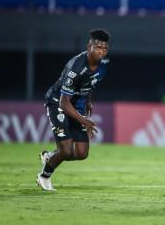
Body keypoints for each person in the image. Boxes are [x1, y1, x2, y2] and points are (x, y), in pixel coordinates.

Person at [37, 29, 110, 191]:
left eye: (105, 49)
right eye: (98, 48)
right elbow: (64, 103)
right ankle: (44, 176)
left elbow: (91, 82)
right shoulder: (75, 68)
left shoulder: (104, 63)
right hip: (58, 103)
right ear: (89, 46)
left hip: (76, 104)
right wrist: (83, 120)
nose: (101, 52)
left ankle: (50, 157)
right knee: (66, 149)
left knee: (81, 153)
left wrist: (88, 101)